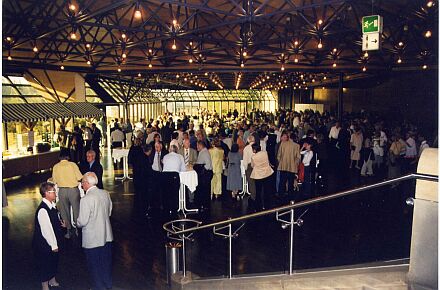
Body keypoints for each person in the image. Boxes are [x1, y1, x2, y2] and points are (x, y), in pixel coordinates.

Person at [77, 172, 113, 290]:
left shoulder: (86, 199)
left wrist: (75, 223)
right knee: (105, 264)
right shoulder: (105, 193)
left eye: (82, 183)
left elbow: (82, 221)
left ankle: (99, 287)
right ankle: (108, 284)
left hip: (92, 239)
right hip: (107, 236)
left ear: (87, 183)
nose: (82, 185)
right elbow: (109, 212)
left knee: (94, 267)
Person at [32, 182, 66, 290]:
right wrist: (53, 245)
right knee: (45, 263)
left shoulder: (52, 206)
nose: (56, 193)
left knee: (53, 260)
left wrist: (62, 224)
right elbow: (46, 230)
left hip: (53, 240)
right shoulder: (43, 209)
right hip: (44, 243)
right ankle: (45, 285)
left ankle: (52, 280)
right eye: (53, 192)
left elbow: (54, 222)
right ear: (46, 193)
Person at [51, 148, 83, 239]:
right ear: (68, 156)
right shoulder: (73, 165)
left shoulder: (56, 166)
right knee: (76, 210)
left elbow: (54, 180)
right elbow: (79, 177)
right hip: (73, 191)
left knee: (64, 212)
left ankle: (68, 231)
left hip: (62, 191)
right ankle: (78, 229)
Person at [250, 144, 274, 211]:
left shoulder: (253, 157)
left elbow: (252, 165)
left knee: (258, 191)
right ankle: (267, 204)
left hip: (258, 175)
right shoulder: (265, 153)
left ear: (254, 150)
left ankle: (258, 205)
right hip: (267, 173)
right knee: (266, 189)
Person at [277, 132, 300, 197]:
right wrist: (295, 165)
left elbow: (279, 155)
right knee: (290, 183)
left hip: (283, 166)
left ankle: (280, 195)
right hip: (292, 168)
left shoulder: (282, 144)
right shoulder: (297, 146)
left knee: (282, 182)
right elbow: (298, 158)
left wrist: (281, 162)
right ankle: (290, 196)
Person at [194, 141, 213, 212]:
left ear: (200, 145)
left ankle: (204, 205)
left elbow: (208, 165)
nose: (197, 147)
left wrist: (202, 170)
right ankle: (204, 205)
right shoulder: (204, 152)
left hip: (205, 175)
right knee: (204, 190)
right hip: (205, 174)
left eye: (197, 146)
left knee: (204, 190)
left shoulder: (204, 153)